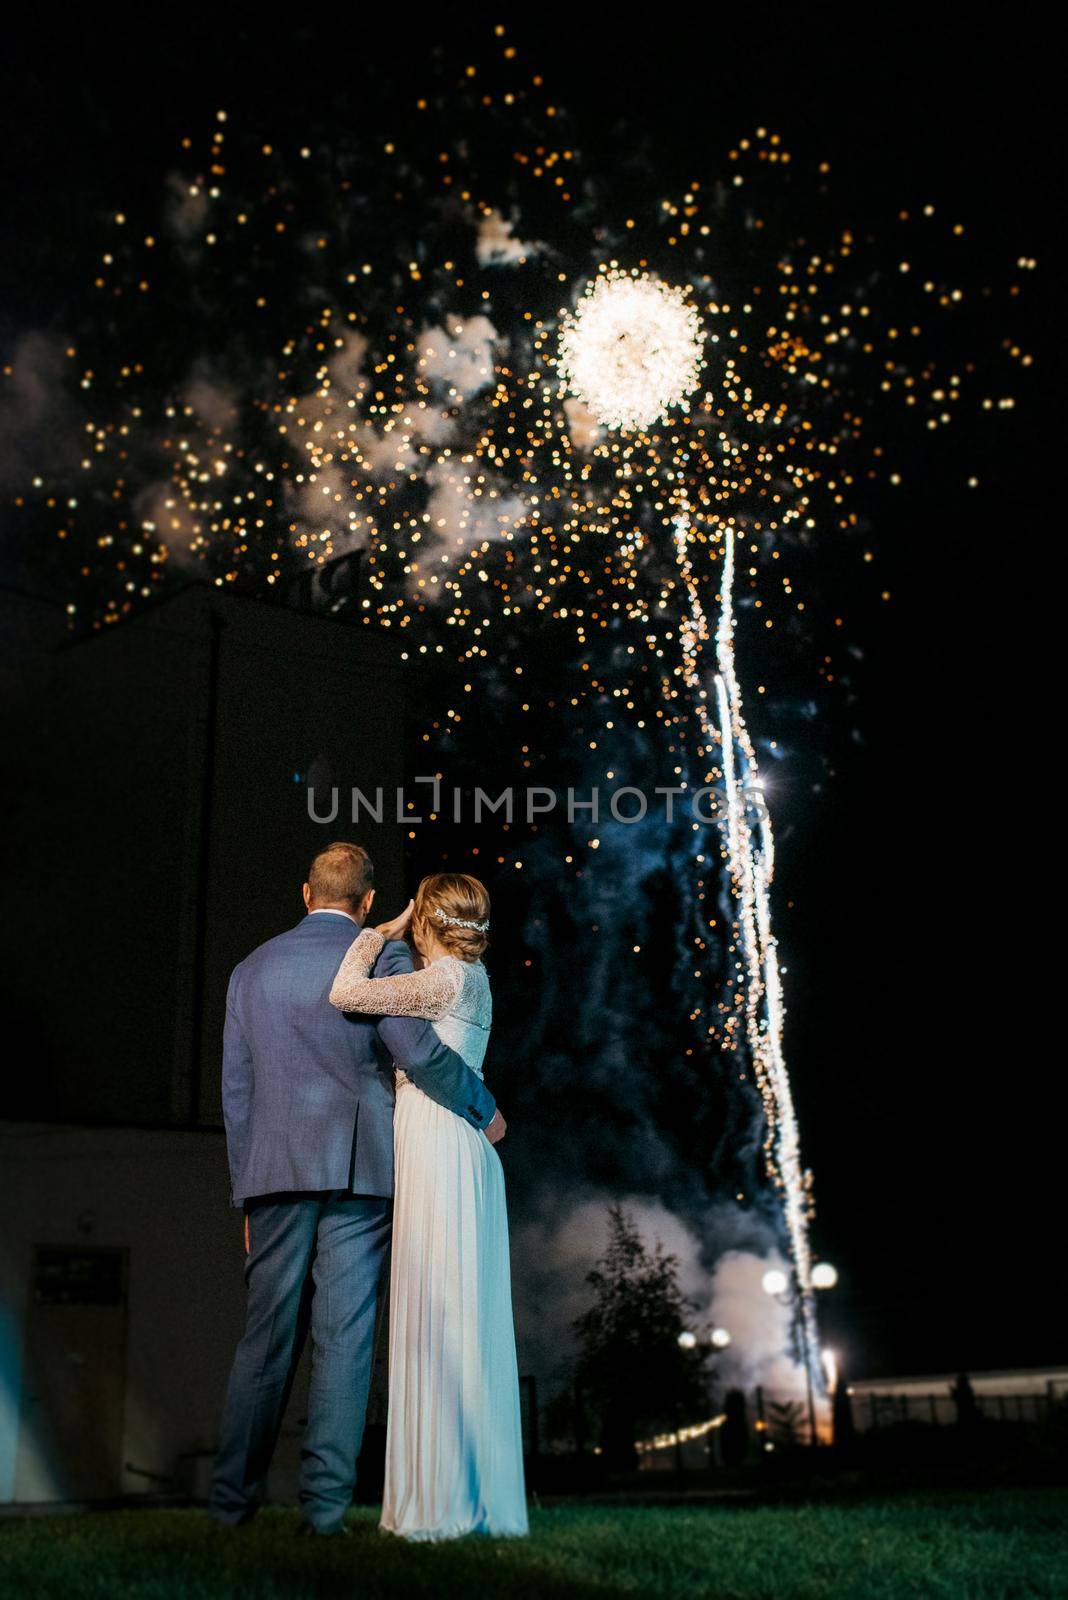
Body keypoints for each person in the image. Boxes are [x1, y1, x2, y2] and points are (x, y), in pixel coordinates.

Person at [210, 843, 504, 1535]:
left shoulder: (249, 972)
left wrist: (243, 1192)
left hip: (275, 1172)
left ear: (306, 893)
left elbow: (237, 1091)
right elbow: (415, 1051)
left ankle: (230, 1508)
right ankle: (325, 1513)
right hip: (362, 1169)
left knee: (265, 1340)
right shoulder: (386, 958)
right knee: (345, 1339)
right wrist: (481, 1105)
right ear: (368, 901)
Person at [330, 871, 528, 1540]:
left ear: (424, 920)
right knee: (454, 1312)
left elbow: (345, 993)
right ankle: (464, 1491)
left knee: (438, 1311)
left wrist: (373, 932)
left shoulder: (444, 980)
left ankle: (438, 1502)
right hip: (453, 1141)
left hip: (440, 1144)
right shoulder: (471, 979)